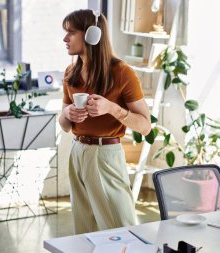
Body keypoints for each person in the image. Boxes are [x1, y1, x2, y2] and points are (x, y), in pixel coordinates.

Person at [59, 9, 151, 234]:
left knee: (120, 229)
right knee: (85, 230)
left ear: (92, 35)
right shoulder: (71, 72)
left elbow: (145, 126)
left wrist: (112, 109)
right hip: (78, 152)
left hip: (105, 155)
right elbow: (64, 124)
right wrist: (68, 113)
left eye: (71, 32)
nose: (65, 39)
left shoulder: (122, 73)